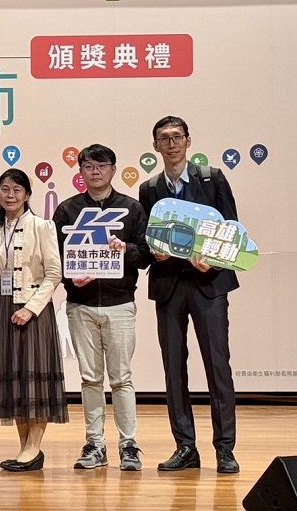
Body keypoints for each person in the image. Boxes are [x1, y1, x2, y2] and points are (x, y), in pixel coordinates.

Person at [138, 115, 240, 474]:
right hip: (169, 286)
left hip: (208, 286)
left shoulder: (212, 178)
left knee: (217, 366)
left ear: (188, 141)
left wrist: (211, 260)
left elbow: (232, 232)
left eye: (177, 137)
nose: (171, 144)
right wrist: (154, 253)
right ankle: (185, 447)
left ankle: (225, 449)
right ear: (155, 146)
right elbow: (146, 241)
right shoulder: (150, 188)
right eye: (164, 138)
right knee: (173, 369)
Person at [52, 145, 150, 471]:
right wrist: (70, 277)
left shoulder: (131, 208)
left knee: (121, 378)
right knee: (90, 378)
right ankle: (95, 444)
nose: (95, 171)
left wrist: (126, 249)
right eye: (89, 166)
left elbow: (146, 255)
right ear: (80, 171)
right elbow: (54, 257)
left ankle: (129, 445)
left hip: (120, 304)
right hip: (80, 305)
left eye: (102, 165)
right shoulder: (67, 210)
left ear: (113, 169)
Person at [0, 168, 67, 472]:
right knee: (14, 380)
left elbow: (54, 274)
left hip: (33, 311)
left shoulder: (42, 226)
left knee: (34, 379)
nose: (10, 195)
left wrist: (30, 308)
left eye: (17, 190)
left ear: (27, 195)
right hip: (4, 308)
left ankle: (34, 447)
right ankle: (24, 448)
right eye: (5, 189)